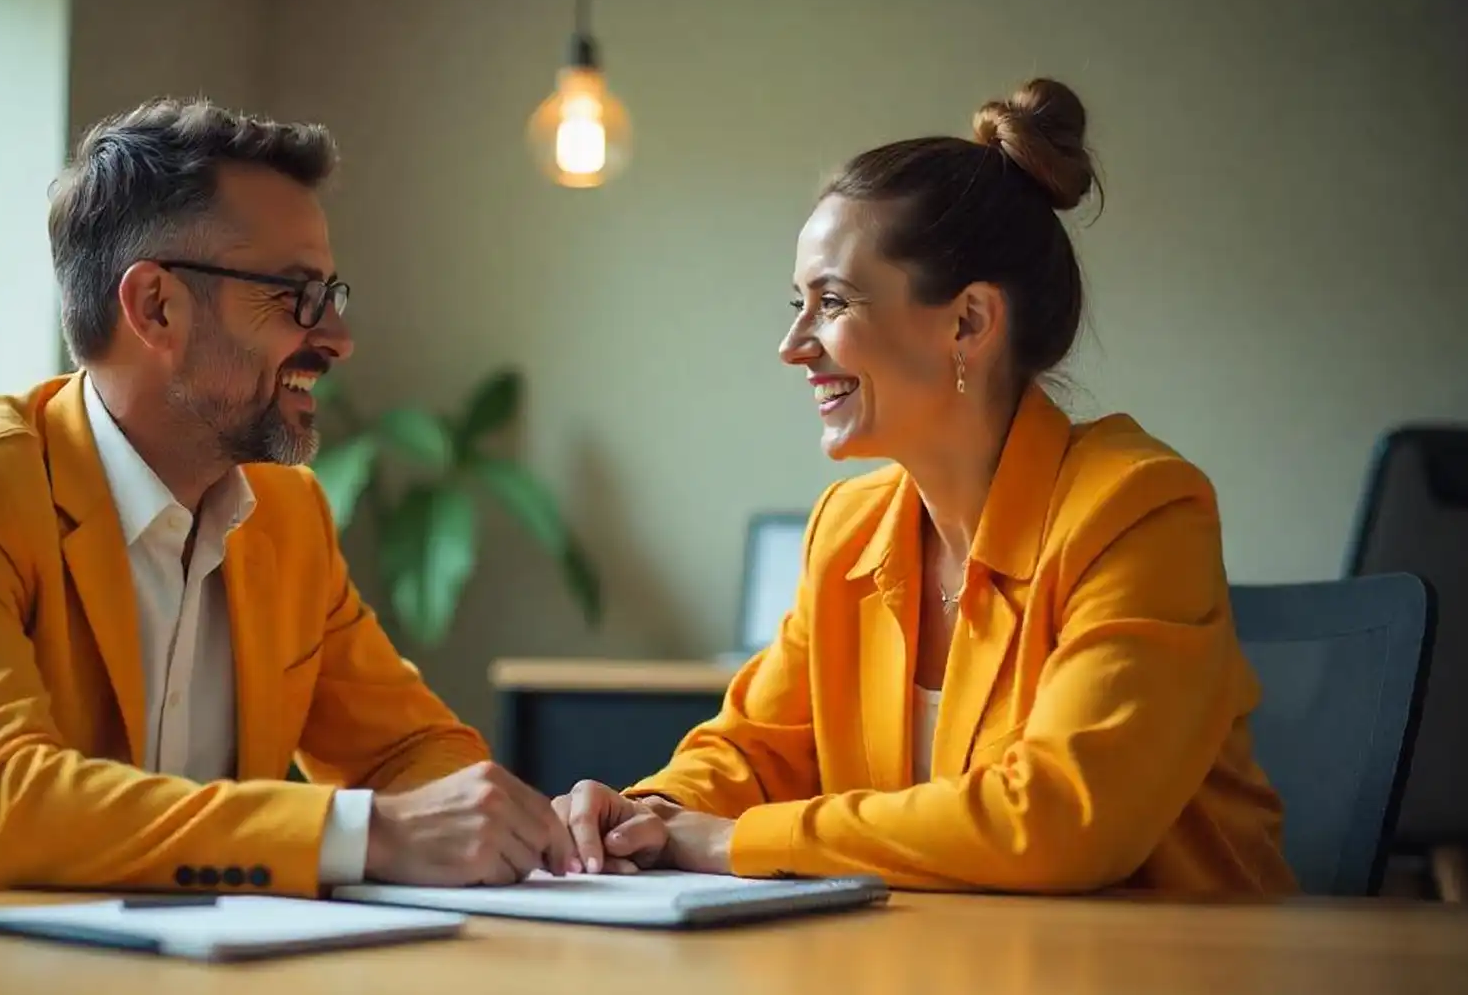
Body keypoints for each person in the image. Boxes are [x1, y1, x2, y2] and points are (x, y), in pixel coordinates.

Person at [0, 99, 574, 912]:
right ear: (156, 307)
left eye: (332, 294)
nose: (337, 336)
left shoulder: (287, 515)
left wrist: (512, 827)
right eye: (296, 296)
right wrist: (370, 835)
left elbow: (406, 749)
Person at [554, 79, 1298, 895]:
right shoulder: (850, 528)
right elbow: (753, 749)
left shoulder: (1139, 512)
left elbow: (1057, 824)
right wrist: (650, 811)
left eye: (831, 302)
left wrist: (728, 842)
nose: (792, 345)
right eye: (798, 304)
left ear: (970, 322)